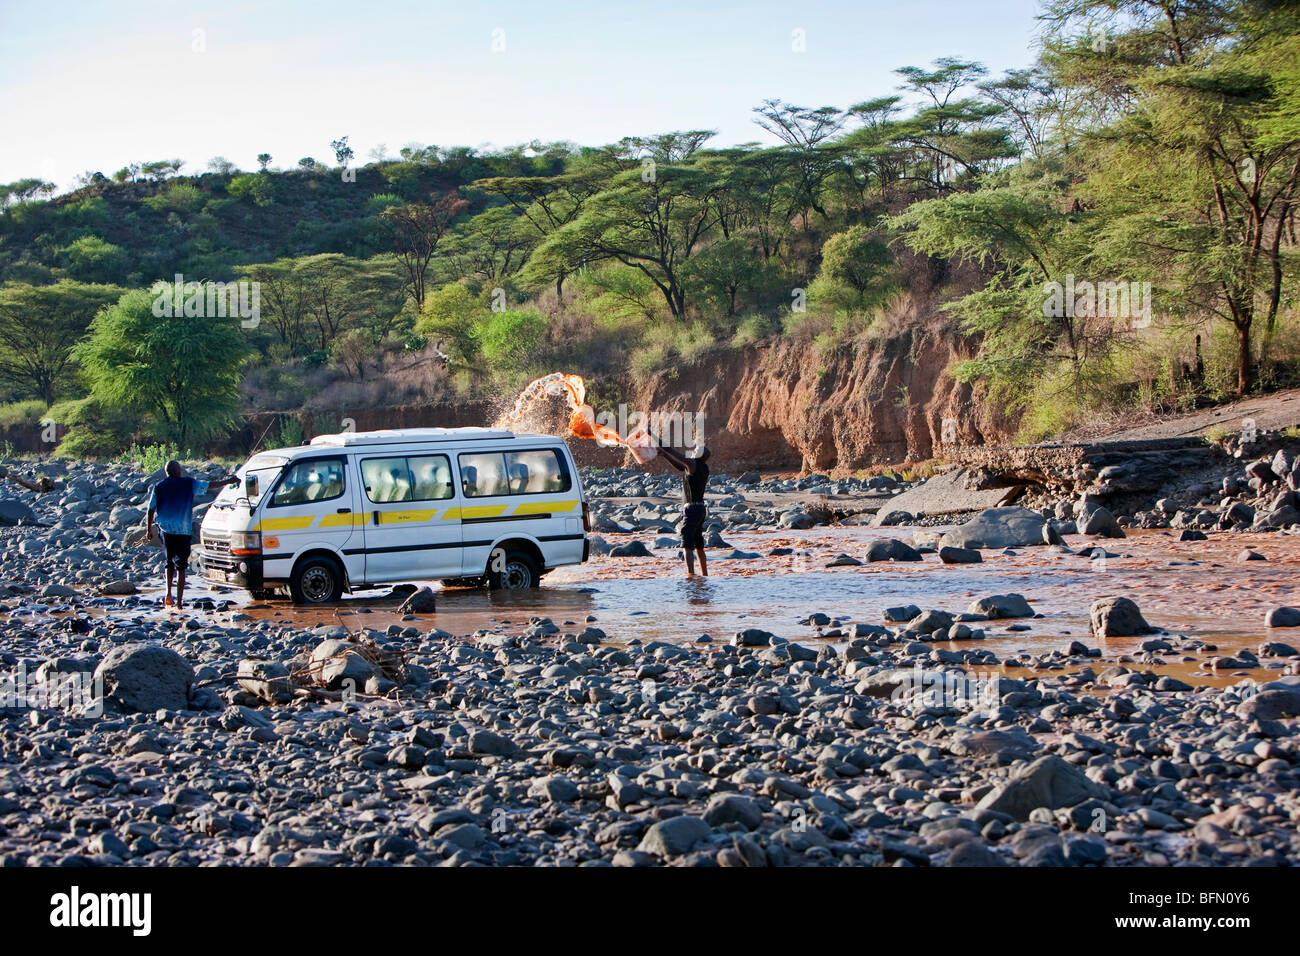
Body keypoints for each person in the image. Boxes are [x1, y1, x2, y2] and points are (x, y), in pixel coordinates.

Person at [147, 460, 238, 608]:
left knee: (169, 563)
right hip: (183, 530)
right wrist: (229, 481)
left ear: (167, 472)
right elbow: (210, 485)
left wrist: (148, 530)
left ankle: (168, 594)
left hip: (166, 530)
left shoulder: (159, 486)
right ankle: (180, 603)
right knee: (181, 567)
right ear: (178, 471)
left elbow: (150, 509)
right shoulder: (188, 483)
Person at [656, 444, 711, 576]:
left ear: (698, 455)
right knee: (698, 544)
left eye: (695, 450)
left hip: (691, 509)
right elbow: (680, 466)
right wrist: (665, 456)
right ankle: (705, 575)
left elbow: (674, 453)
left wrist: (658, 442)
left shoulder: (692, 463)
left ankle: (690, 575)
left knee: (687, 545)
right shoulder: (703, 467)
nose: (693, 451)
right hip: (700, 509)